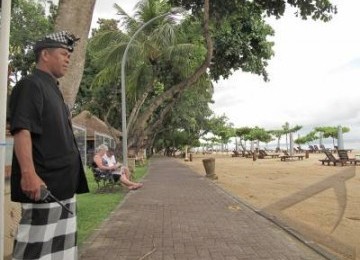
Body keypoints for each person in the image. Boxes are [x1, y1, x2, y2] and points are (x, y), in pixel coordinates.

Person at [9, 31, 89, 260]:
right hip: (43, 186)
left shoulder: (54, 90)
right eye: (63, 54)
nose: (67, 59)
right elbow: (22, 130)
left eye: (69, 55)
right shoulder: (30, 85)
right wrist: (28, 174)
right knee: (35, 253)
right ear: (45, 54)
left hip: (63, 187)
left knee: (61, 254)